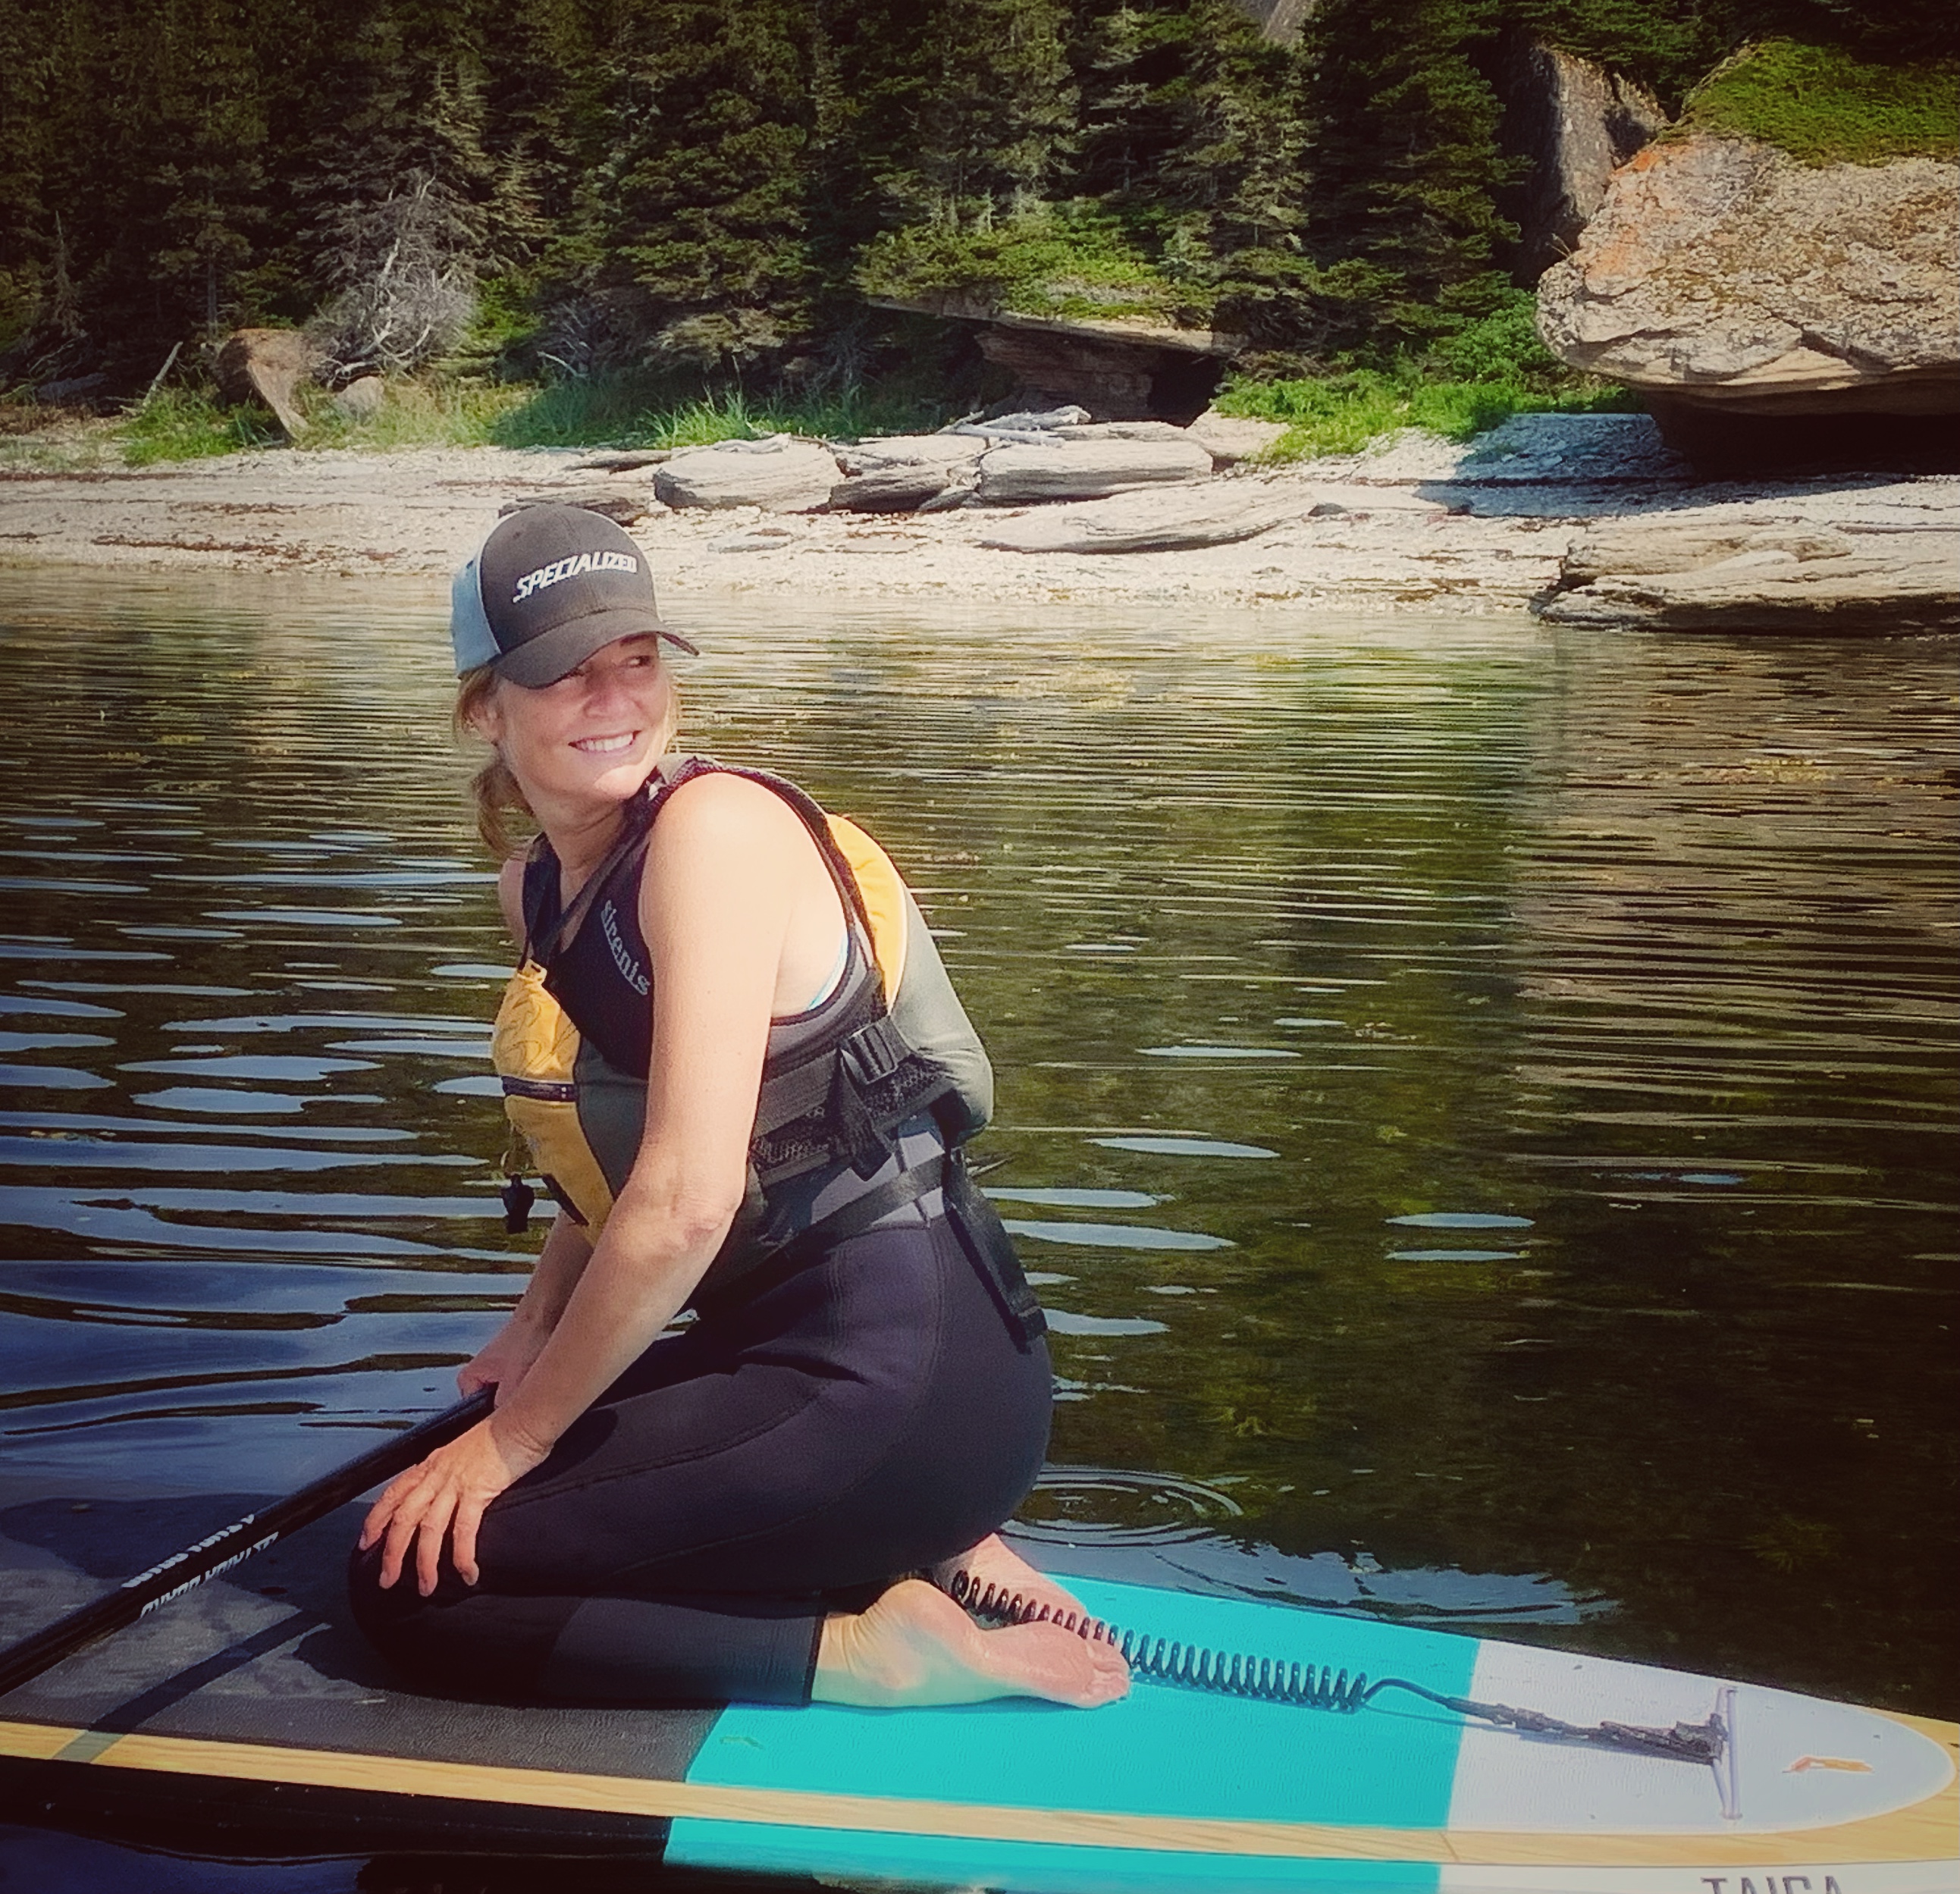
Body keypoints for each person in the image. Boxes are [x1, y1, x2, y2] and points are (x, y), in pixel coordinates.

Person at [348, 505, 1127, 1712]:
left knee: (413, 1588)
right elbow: (616, 1163)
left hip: (899, 1376)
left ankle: (874, 1648)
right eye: (565, 671)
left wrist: (519, 1438)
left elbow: (685, 1200)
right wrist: (531, 1334)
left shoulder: (714, 831)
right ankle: (916, 1542)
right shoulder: (539, 887)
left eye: (637, 659)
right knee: (417, 1494)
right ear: (485, 709)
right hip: (801, 1359)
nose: (614, 697)